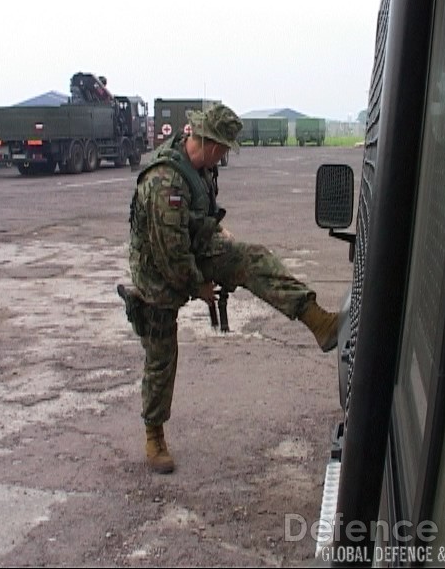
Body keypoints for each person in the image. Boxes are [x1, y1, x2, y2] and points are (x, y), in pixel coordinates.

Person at [118, 103, 338, 474]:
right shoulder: (164, 182)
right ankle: (154, 434)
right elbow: (171, 256)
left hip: (189, 248)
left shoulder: (200, 167)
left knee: (250, 258)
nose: (222, 157)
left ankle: (318, 321)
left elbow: (196, 221)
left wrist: (218, 233)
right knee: (162, 355)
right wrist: (200, 287)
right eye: (221, 149)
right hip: (158, 273)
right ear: (205, 141)